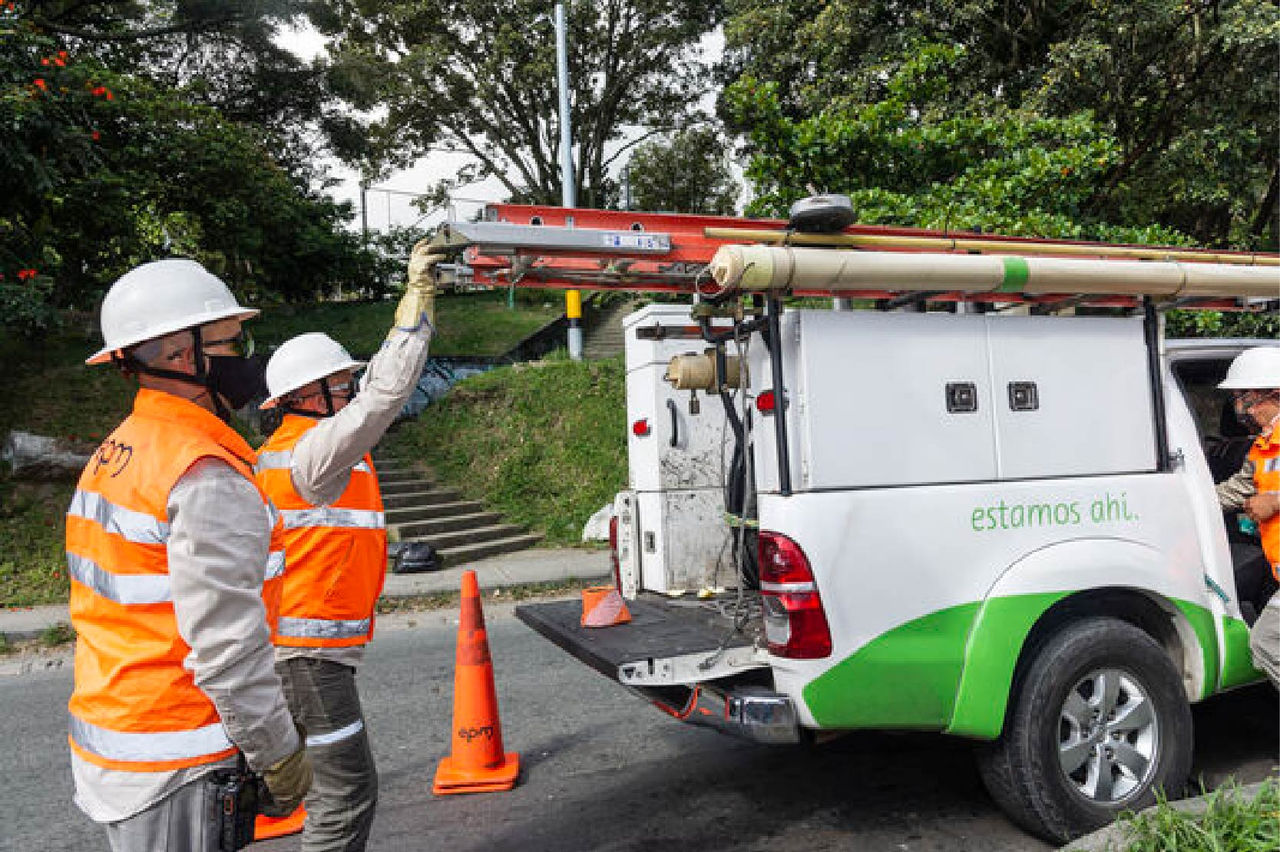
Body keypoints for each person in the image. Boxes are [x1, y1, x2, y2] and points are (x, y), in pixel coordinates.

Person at [66, 258, 312, 851]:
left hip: (126, 742)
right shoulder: (201, 473)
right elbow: (227, 647)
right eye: (231, 341)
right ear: (182, 355)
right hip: (178, 758)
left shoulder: (120, 450)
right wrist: (278, 753)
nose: (245, 357)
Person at [253, 240, 439, 851]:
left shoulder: (281, 454)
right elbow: (384, 397)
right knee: (346, 796)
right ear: (310, 395)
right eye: (340, 382)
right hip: (307, 659)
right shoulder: (312, 453)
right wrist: (417, 302)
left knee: (315, 791)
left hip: (298, 655)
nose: (350, 390)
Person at [1215, 345, 1280, 687]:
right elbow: (1235, 490)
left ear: (1275, 394)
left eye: (1247, 397)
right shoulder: (1262, 447)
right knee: (1265, 643)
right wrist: (1187, 502)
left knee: (1266, 641)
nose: (1241, 409)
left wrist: (1275, 501)